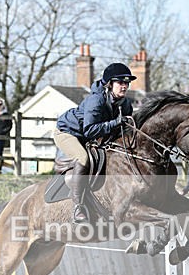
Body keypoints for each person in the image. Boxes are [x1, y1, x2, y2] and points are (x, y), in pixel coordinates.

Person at [54, 62, 136, 223]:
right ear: (109, 84)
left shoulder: (125, 104)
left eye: (127, 83)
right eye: (120, 82)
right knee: (83, 158)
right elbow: (89, 130)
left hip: (91, 135)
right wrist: (115, 123)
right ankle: (78, 206)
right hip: (69, 132)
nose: (125, 86)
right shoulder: (96, 100)